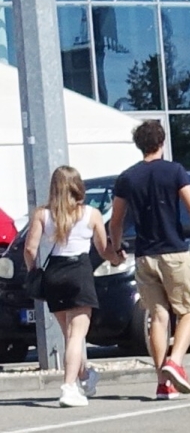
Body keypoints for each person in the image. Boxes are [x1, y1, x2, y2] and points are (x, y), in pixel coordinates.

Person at [105, 119, 190, 399]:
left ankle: (162, 383)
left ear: (139, 145)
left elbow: (115, 220)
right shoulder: (174, 171)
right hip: (174, 250)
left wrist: (116, 248)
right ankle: (175, 362)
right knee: (189, 309)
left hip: (145, 255)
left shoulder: (127, 177)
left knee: (158, 316)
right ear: (162, 142)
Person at [20, 164, 106, 407]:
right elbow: (102, 248)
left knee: (70, 335)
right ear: (78, 186)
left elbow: (30, 249)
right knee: (77, 335)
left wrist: (33, 270)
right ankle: (69, 387)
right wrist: (116, 255)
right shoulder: (91, 214)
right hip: (79, 271)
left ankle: (86, 376)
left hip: (54, 274)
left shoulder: (42, 214)